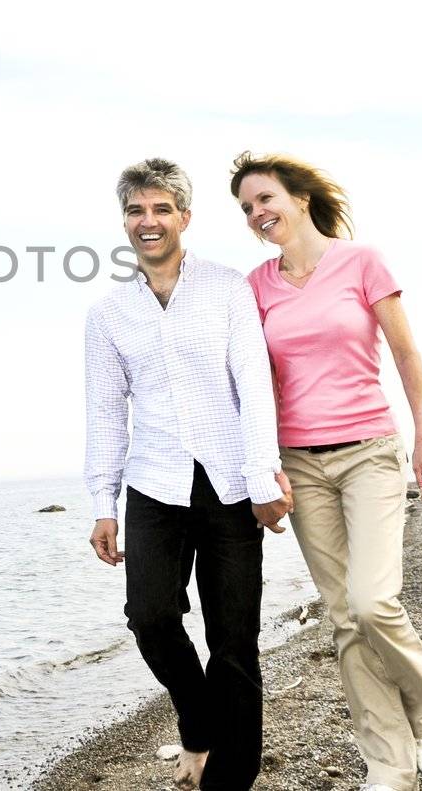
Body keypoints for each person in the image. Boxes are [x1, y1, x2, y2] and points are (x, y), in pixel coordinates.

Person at [230, 152, 422, 791]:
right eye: (246, 208)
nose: (256, 213)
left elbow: (407, 355)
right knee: (343, 617)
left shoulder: (362, 262)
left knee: (373, 601)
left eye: (265, 198)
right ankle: (389, 762)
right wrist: (261, 469)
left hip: (368, 451)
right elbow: (255, 381)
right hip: (298, 461)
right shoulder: (256, 286)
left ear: (300, 198)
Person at [85, 158, 292, 791]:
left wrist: (264, 478)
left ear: (184, 217)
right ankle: (198, 724)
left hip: (229, 482)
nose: (148, 222)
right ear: (125, 221)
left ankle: (230, 778)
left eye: (161, 209)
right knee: (150, 618)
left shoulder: (227, 289)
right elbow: (104, 410)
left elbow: (254, 387)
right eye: (136, 211)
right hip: (153, 484)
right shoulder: (109, 313)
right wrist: (104, 502)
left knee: (234, 638)